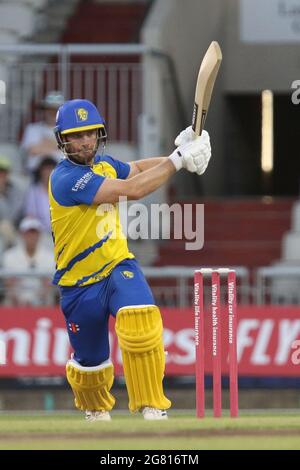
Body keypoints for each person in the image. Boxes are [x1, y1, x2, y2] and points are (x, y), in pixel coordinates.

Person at [49, 99, 211, 421]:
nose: (84, 142)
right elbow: (133, 189)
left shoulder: (105, 164)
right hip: (78, 285)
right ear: (63, 140)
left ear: (99, 134)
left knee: (141, 321)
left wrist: (179, 153)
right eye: (76, 136)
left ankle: (152, 407)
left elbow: (135, 169)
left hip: (117, 267)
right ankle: (96, 415)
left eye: (90, 134)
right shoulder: (65, 179)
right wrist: (177, 161)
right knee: (90, 368)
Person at [2, 217, 55, 305]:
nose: (31, 236)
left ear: (39, 235)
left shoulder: (50, 257)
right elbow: (9, 285)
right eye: (28, 233)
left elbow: (48, 285)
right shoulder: (9, 256)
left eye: (34, 233)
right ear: (22, 234)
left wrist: (36, 302)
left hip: (43, 305)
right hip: (15, 306)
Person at [21, 91, 65, 173]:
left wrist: (44, 144)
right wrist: (58, 145)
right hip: (35, 173)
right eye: (50, 109)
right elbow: (32, 150)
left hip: (62, 173)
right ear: (45, 110)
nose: (53, 113)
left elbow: (71, 151)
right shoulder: (33, 128)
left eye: (56, 110)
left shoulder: (69, 131)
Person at [23, 156, 57, 233]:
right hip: (40, 233)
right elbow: (31, 215)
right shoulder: (33, 191)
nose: (48, 172)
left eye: (51, 169)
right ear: (40, 171)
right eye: (45, 169)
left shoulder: (63, 190)